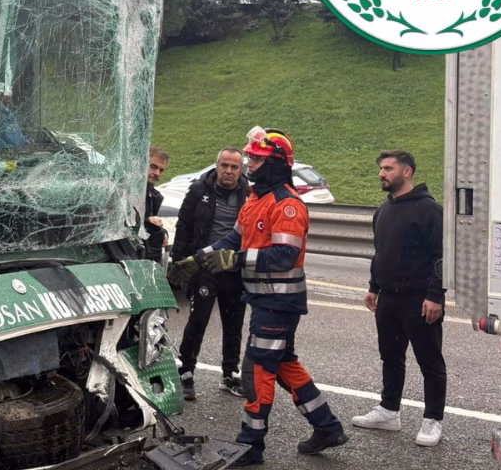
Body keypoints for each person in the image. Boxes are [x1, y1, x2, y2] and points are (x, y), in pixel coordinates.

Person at [168, 127, 348, 466]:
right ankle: (327, 427)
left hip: (279, 302)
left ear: (277, 164)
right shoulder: (255, 199)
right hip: (265, 300)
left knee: (256, 370)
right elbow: (233, 240)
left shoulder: (288, 205)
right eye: (250, 157)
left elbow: (284, 256)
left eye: (257, 158)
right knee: (282, 364)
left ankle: (251, 445)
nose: (250, 163)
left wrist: (234, 261)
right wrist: (198, 259)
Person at [352, 150, 447, 447]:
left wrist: (435, 295)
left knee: (429, 362)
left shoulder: (430, 210)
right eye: (381, 168)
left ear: (407, 172)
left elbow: (441, 257)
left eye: (388, 168)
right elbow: (381, 252)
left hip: (419, 300)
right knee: (390, 357)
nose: (382, 173)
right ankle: (389, 411)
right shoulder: (383, 210)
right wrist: (373, 286)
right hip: (389, 300)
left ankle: (433, 420)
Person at [170, 147, 249, 401]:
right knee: (198, 319)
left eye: (234, 167)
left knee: (234, 322)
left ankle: (229, 373)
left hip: (233, 268)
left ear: (241, 170)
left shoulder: (249, 195)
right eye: (224, 165)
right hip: (204, 268)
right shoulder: (198, 190)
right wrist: (180, 264)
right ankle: (186, 371)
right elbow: (183, 226)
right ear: (216, 166)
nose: (228, 171)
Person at [143, 147, 170, 260]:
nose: (157, 173)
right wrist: (148, 222)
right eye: (153, 167)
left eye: (161, 170)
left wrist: (162, 233)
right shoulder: (124, 190)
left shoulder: (153, 195)